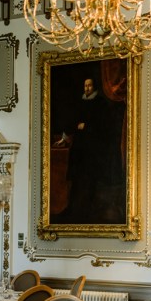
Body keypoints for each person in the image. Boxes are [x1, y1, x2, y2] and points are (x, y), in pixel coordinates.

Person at [53, 77, 112, 224]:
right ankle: (72, 208)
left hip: (93, 148)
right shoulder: (80, 102)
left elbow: (105, 125)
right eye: (85, 85)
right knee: (76, 179)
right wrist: (65, 137)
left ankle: (89, 210)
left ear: (94, 86)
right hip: (80, 147)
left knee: (90, 179)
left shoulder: (100, 103)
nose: (87, 88)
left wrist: (87, 126)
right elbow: (73, 122)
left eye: (90, 85)